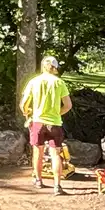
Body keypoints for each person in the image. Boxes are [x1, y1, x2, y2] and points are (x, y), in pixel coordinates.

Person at [19, 55, 73, 194]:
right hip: (54, 123)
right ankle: (57, 186)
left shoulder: (34, 82)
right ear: (55, 68)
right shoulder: (59, 83)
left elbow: (23, 104)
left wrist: (28, 113)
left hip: (37, 122)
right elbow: (68, 105)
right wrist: (57, 113)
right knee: (55, 154)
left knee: (38, 153)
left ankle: (38, 180)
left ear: (43, 66)